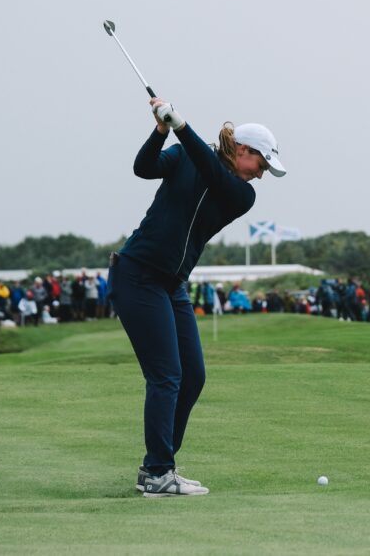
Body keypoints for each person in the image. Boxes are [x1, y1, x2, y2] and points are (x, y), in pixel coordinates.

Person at [108, 97, 285, 499]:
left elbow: (211, 172)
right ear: (243, 150)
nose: (261, 175)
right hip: (137, 275)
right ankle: (157, 473)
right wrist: (161, 132)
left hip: (173, 284)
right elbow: (143, 168)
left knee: (193, 376)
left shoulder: (241, 195)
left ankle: (160, 466)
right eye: (261, 164)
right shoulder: (188, 154)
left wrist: (183, 128)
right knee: (167, 375)